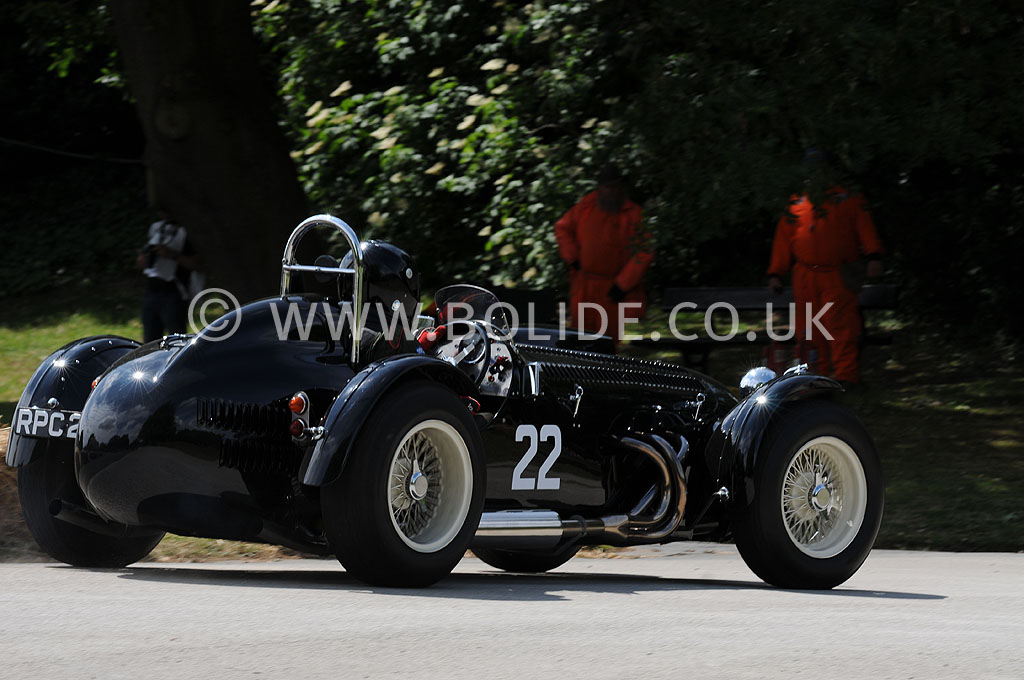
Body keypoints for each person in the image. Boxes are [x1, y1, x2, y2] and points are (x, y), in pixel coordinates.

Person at [767, 186, 884, 385]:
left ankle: (846, 378)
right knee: (808, 329)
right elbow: (783, 239)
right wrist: (776, 272)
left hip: (838, 273)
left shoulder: (849, 197)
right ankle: (812, 378)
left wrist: (874, 256)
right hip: (805, 276)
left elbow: (865, 227)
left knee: (841, 326)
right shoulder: (797, 201)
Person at [554, 164, 653, 342]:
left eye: (616, 186)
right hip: (584, 286)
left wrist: (623, 284)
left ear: (622, 186)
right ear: (600, 187)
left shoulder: (634, 214)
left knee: (607, 341)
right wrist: (572, 257)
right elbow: (562, 228)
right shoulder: (586, 206)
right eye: (608, 186)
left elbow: (644, 252)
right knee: (579, 339)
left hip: (611, 289)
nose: (612, 191)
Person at [138, 210, 200, 343]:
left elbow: (196, 264)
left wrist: (171, 254)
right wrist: (146, 257)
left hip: (174, 293)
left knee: (177, 340)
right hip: (151, 291)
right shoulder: (157, 228)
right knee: (150, 341)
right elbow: (142, 262)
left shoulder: (186, 232)